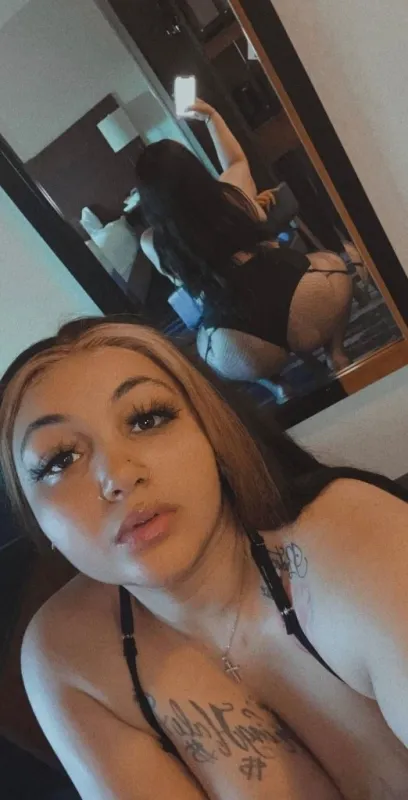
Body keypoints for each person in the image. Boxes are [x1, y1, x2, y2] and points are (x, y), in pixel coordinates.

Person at [1, 317, 408, 800]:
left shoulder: (351, 533)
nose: (119, 476)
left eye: (146, 419)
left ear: (212, 436)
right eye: (60, 459)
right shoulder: (67, 654)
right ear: (38, 522)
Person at [137, 99, 352, 373]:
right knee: (334, 262)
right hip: (300, 296)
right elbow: (236, 160)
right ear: (193, 169)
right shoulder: (232, 194)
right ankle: (336, 352)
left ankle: (278, 385)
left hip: (240, 341)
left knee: (207, 346)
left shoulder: (151, 243)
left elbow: (183, 283)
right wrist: (211, 116)